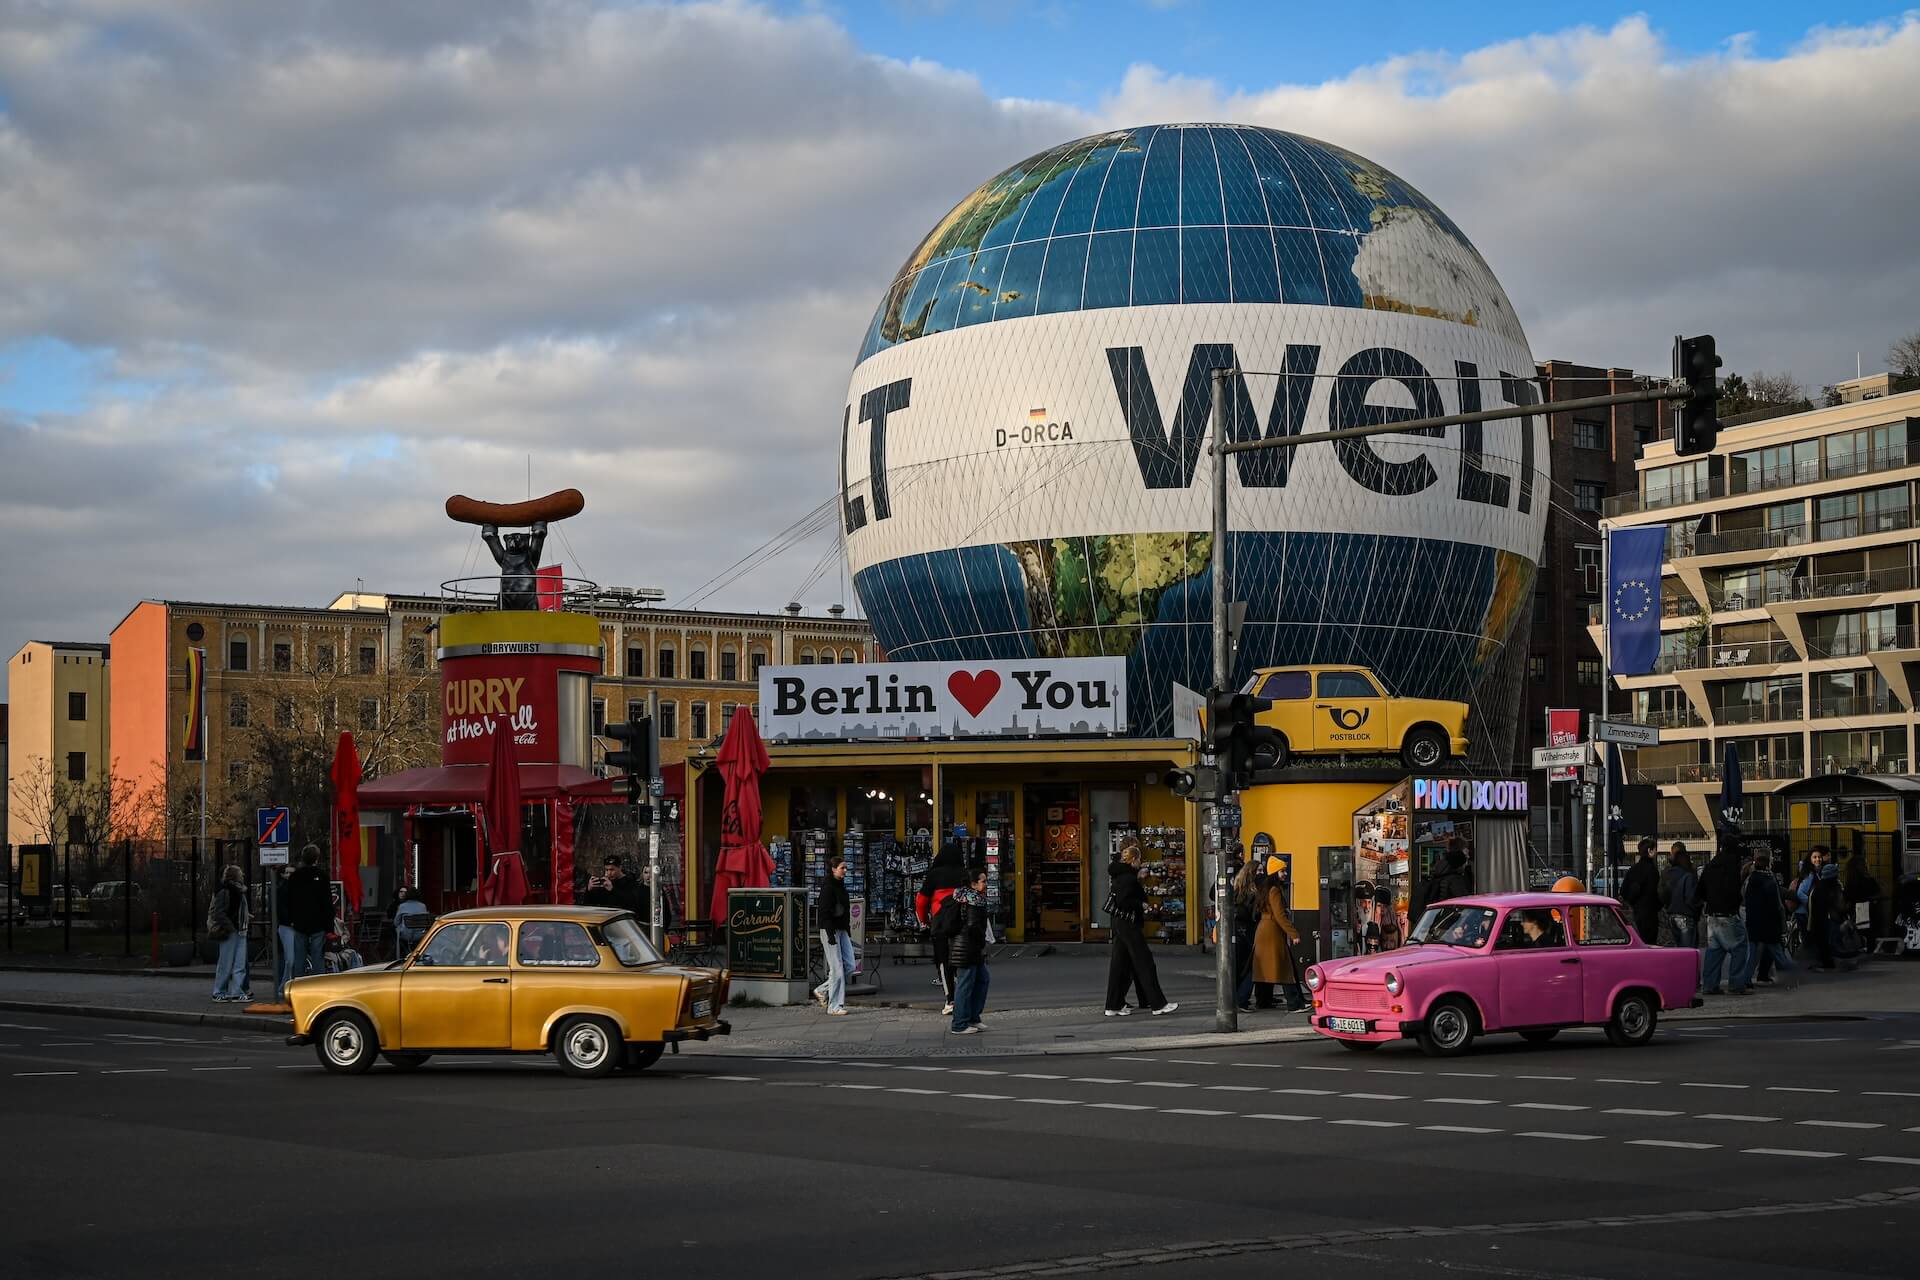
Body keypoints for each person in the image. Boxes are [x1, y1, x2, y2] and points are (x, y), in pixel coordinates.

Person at [1104, 840, 1176, 1017]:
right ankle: (1158, 1004)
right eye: (1139, 859)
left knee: (1119, 964)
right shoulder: (1129, 877)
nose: (1141, 862)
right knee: (1145, 962)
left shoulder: (1119, 873)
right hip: (1129, 923)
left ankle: (1113, 1005)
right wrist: (1141, 905)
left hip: (1119, 922)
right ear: (1134, 859)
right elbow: (1124, 901)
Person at [915, 841, 970, 1017]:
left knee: (943, 961)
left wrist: (924, 922)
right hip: (961, 922)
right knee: (960, 960)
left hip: (939, 923)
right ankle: (963, 996)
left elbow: (921, 901)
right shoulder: (964, 874)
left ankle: (950, 1000)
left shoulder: (934, 875)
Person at [1696, 838, 1750, 996]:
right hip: (1728, 913)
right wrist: (1736, 903)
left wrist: (1711, 900)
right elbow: (1734, 890)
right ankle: (1736, 984)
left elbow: (1700, 891)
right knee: (1740, 946)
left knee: (1715, 949)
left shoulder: (1711, 865)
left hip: (1712, 914)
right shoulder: (1733, 864)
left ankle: (1710, 985)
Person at [1252, 858, 1304, 1011]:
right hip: (1272, 931)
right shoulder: (1274, 890)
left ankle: (1263, 1001)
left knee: (1265, 969)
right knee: (1284, 967)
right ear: (1275, 873)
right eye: (1282, 871)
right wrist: (1293, 933)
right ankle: (1294, 1003)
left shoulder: (1264, 889)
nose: (1285, 874)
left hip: (1263, 930)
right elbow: (1280, 915)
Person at [948, 868, 992, 1035]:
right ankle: (959, 1023)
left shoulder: (965, 897)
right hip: (967, 948)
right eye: (983, 881)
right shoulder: (974, 900)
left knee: (982, 979)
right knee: (966, 984)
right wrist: (982, 941)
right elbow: (974, 926)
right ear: (973, 884)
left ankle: (973, 1017)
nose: (986, 884)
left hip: (966, 947)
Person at [812, 854, 854, 1016]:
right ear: (833, 869)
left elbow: (844, 910)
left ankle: (821, 990)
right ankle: (834, 1005)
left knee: (850, 965)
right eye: (842, 867)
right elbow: (824, 913)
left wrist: (846, 929)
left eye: (845, 867)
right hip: (830, 930)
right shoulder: (828, 888)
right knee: (836, 968)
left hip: (842, 930)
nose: (845, 870)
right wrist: (830, 934)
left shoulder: (841, 886)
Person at [1742, 851, 1792, 986]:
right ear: (1769, 862)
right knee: (1778, 953)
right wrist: (1782, 924)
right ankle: (1794, 976)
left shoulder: (1750, 879)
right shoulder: (1770, 880)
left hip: (1753, 921)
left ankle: (1745, 980)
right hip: (1769, 923)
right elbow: (1777, 905)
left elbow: (1744, 899)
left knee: (1752, 955)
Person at [286, 845, 333, 981]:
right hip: (318, 922)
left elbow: (290, 899)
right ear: (317, 858)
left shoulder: (295, 876)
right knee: (317, 955)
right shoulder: (322, 876)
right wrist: (329, 925)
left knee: (299, 956)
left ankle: (298, 984)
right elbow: (327, 901)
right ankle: (318, 984)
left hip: (300, 922)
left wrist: (292, 919)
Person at [209, 865, 252, 1003]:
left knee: (239, 963)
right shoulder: (227, 891)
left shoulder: (236, 891)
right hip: (233, 930)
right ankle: (219, 991)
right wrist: (231, 926)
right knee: (226, 963)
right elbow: (218, 913)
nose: (243, 875)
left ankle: (235, 991)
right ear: (235, 876)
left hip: (240, 929)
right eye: (241, 874)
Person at [1409, 840, 1472, 926]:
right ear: (1458, 856)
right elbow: (1465, 905)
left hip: (1429, 925)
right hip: (1447, 928)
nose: (1468, 857)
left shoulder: (1438, 872)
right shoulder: (1455, 879)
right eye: (1465, 855)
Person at [1619, 837, 1661, 943]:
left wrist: (1633, 901)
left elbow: (1623, 890)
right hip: (1650, 912)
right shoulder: (1652, 871)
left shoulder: (1633, 869)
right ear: (1649, 851)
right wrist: (1659, 905)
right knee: (1650, 942)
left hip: (1636, 910)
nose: (1656, 851)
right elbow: (1655, 892)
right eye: (1655, 849)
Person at [1231, 861, 1260, 1012]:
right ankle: (1242, 999)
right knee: (1251, 967)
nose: (1261, 873)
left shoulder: (1236, 887)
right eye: (1259, 870)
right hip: (1248, 931)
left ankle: (1236, 999)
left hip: (1235, 930)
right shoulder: (1253, 891)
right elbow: (1254, 913)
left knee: (1238, 966)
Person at [585, 856, 649, 923]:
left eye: (612, 870)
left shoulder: (630, 883)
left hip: (624, 921)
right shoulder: (605, 883)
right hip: (605, 921)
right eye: (607, 870)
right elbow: (590, 905)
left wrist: (613, 890)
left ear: (620, 868)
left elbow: (632, 903)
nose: (609, 873)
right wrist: (589, 890)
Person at [1659, 843, 1699, 950]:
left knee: (1679, 949)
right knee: (1688, 951)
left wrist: (1668, 906)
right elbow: (1692, 897)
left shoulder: (1667, 873)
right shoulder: (1690, 873)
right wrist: (1696, 911)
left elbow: (1662, 893)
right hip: (1686, 914)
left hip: (1672, 913)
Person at [1808, 861, 1843, 970]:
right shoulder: (1833, 887)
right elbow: (1838, 904)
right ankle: (1832, 962)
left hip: (1817, 920)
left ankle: (1825, 962)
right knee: (1831, 941)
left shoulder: (1817, 887)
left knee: (1822, 942)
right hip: (1829, 919)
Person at [273, 865, 300, 1000]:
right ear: (282, 875)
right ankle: (283, 987)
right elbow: (282, 909)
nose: (289, 875)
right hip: (287, 926)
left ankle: (286, 986)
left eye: (292, 873)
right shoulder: (282, 889)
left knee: (292, 959)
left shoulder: (295, 888)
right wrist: (291, 921)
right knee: (290, 959)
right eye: (287, 873)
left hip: (292, 925)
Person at [391, 886, 430, 956]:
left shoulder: (402, 906)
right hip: (420, 935)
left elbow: (396, 923)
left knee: (394, 931)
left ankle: (405, 952)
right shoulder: (423, 906)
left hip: (406, 935)